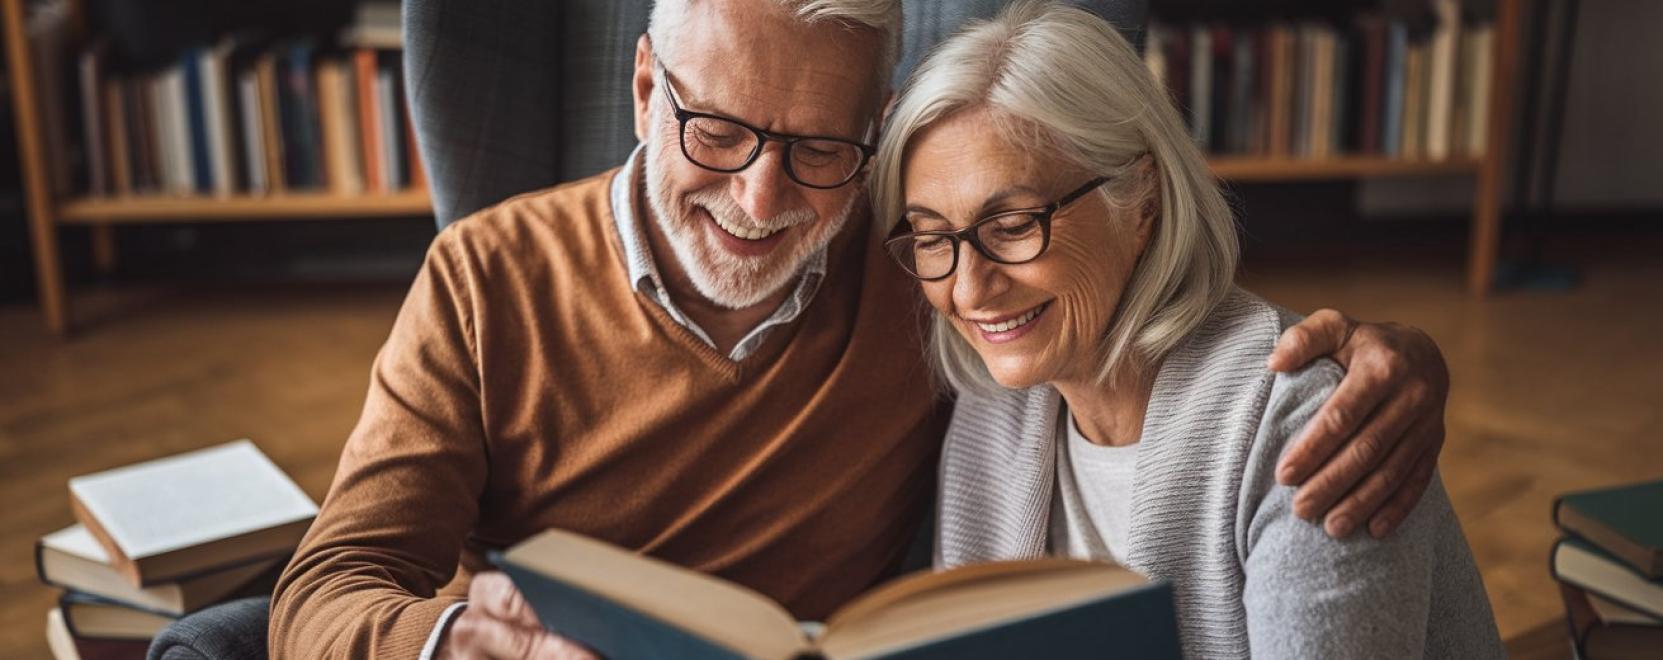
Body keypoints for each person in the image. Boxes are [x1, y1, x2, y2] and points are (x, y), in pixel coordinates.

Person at [270, 1, 1457, 657]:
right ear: (644, 90)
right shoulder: (484, 277)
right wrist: (459, 655)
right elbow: (325, 588)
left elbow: (1132, 296)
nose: (762, 200)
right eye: (716, 131)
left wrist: (1400, 355)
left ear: (874, 135)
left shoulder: (922, 279)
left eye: (820, 150)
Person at [868, 3, 1505, 658]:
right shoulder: (992, 410)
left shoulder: (1305, 428)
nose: (969, 289)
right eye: (931, 237)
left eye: (1012, 225)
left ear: (1141, 199)